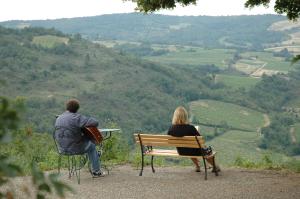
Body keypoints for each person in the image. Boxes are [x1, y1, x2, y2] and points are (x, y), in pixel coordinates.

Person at [54, 99, 104, 177]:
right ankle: (96, 171)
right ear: (77, 109)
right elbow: (95, 122)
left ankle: (95, 158)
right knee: (92, 146)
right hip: (75, 148)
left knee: (85, 141)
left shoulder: (59, 118)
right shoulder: (76, 118)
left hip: (62, 149)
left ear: (67, 107)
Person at [168, 106, 220, 173]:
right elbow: (201, 141)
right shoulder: (191, 128)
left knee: (190, 148)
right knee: (206, 151)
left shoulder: (171, 128)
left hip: (181, 151)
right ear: (185, 116)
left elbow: (169, 140)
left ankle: (197, 166)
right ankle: (215, 167)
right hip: (194, 151)